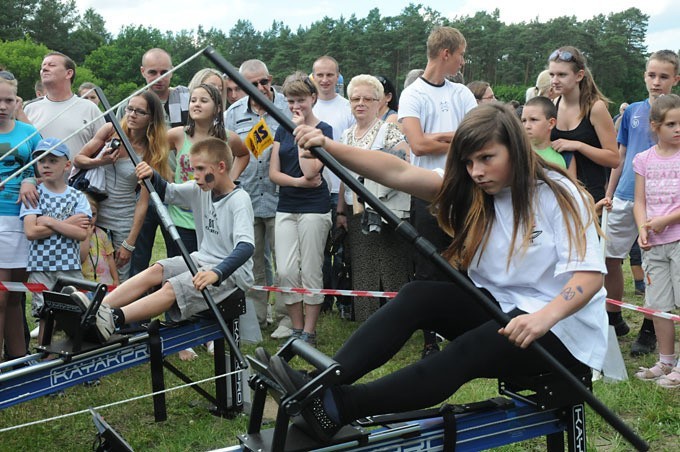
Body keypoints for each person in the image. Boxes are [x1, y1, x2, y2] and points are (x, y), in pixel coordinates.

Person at [270, 102, 607, 442]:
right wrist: (328, 147)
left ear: (516, 150)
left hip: (562, 330)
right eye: (469, 162)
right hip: (503, 308)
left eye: (487, 158)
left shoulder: (558, 196)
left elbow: (589, 277)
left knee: (470, 349)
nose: (476, 171)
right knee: (420, 296)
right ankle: (323, 382)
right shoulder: (474, 190)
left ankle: (340, 407)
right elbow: (398, 173)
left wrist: (543, 317)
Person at [83, 137, 255, 343]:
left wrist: (216, 273)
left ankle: (112, 319)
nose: (196, 176)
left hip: (231, 274)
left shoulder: (239, 200)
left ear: (221, 167)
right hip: (202, 259)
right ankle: (95, 311)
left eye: (200, 169)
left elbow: (246, 247)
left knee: (173, 287)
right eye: (193, 169)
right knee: (157, 269)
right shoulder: (198, 189)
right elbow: (167, 192)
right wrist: (151, 174)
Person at [398, 26, 477, 356]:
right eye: (461, 55)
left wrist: (440, 138)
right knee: (430, 265)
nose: (462, 62)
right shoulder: (413, 94)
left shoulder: (462, 94)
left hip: (466, 190)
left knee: (470, 260)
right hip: (428, 193)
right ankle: (431, 341)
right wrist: (456, 135)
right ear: (447, 53)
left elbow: (479, 135)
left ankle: (468, 331)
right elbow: (417, 143)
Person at [604, 50, 679, 351]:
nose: (656, 82)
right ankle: (613, 317)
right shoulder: (632, 111)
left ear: (675, 79)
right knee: (610, 257)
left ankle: (649, 327)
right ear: (644, 75)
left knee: (655, 265)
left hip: (664, 205)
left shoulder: (676, 115)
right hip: (626, 195)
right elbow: (621, 155)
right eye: (651, 75)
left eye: (664, 76)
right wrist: (608, 192)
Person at [225, 59, 292, 336]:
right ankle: (257, 317)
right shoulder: (233, 113)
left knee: (285, 263)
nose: (260, 88)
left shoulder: (288, 110)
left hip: (282, 198)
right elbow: (228, 153)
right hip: (248, 197)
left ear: (270, 79)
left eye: (264, 81)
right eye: (252, 84)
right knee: (252, 262)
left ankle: (287, 317)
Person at [74, 91, 171, 282]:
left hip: (123, 220)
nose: (132, 115)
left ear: (152, 118)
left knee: (119, 276)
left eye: (140, 112)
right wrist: (100, 161)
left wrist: (130, 243)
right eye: (130, 109)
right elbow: (78, 160)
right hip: (93, 213)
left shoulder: (153, 151)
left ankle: (115, 312)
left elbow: (143, 203)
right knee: (89, 269)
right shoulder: (111, 130)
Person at [339, 74, 411, 322]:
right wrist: (340, 210)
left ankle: (399, 320)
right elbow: (342, 177)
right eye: (355, 98)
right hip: (355, 209)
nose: (360, 103)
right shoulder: (346, 135)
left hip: (386, 208)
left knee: (392, 265)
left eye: (367, 99)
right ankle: (367, 319)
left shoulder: (389, 129)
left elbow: (402, 163)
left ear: (379, 101)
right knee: (362, 265)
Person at [268, 72, 332, 346]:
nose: (296, 107)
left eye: (301, 101)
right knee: (284, 270)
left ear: (313, 99)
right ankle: (295, 328)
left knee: (311, 269)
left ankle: (309, 330)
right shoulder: (281, 129)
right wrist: (297, 183)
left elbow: (311, 169)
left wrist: (301, 133)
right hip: (287, 205)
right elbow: (274, 173)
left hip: (315, 208)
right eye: (291, 101)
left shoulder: (323, 130)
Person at [20, 138, 91, 342]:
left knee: (73, 314)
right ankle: (45, 358)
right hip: (41, 266)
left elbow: (81, 233)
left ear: (67, 165)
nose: (46, 165)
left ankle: (74, 357)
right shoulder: (34, 195)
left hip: (69, 265)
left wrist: (50, 221)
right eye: (41, 161)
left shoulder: (78, 196)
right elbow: (31, 232)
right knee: (45, 315)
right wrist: (68, 223)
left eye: (52, 160)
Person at [632, 94, 680, 388]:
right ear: (655, 126)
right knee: (659, 305)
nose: (677, 129)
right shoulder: (643, 160)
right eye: (671, 124)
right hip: (654, 245)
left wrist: (664, 221)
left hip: (678, 238)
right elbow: (640, 200)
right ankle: (666, 360)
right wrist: (642, 228)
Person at [0, 71, 42, 360]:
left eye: (8, 100)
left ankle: (17, 362)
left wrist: (31, 179)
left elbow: (48, 171)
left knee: (15, 297)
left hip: (25, 222)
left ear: (17, 101)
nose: (2, 106)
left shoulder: (29, 134)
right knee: (0, 298)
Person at [311, 56, 355, 314]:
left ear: (338, 76)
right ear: (312, 77)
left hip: (340, 189)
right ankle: (323, 300)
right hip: (314, 189)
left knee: (341, 250)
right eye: (320, 75)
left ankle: (344, 300)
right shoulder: (308, 107)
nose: (325, 80)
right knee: (318, 251)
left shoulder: (347, 108)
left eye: (330, 75)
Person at [548, 46, 619, 205]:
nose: (554, 80)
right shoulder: (553, 106)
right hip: (560, 194)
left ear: (579, 75)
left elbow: (614, 158)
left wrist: (578, 145)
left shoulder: (595, 108)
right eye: (551, 74)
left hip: (590, 196)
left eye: (562, 75)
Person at [22, 52, 104, 161]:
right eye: (43, 67)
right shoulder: (30, 109)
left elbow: (103, 148)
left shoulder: (90, 108)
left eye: (51, 65)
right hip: (37, 177)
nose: (45, 69)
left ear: (69, 73)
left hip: (79, 176)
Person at [117, 48, 189, 130]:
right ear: (143, 71)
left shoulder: (188, 100)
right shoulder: (128, 106)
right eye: (152, 72)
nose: (159, 78)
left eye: (164, 72)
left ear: (172, 71)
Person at [522, 96, 576, 177]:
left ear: (551, 123)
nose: (527, 126)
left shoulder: (565, 155)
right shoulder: (518, 152)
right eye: (523, 120)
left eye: (533, 120)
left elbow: (571, 188)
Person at [80, 194, 119, 286]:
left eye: (93, 214)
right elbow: (81, 258)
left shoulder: (102, 234)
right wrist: (87, 236)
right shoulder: (75, 235)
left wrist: (116, 279)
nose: (90, 219)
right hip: (85, 284)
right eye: (86, 214)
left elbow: (110, 258)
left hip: (105, 282)